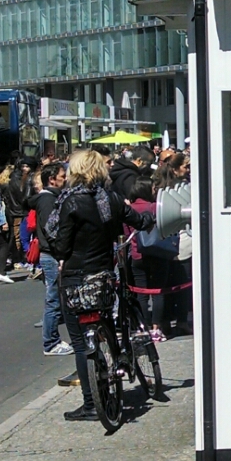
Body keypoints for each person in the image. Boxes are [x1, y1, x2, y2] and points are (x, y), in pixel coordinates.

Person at [48, 149, 152, 422]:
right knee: (104, 322)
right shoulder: (112, 198)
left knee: (81, 342)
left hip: (75, 278)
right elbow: (138, 220)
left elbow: (61, 245)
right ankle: (115, 355)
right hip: (103, 274)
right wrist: (152, 218)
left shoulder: (69, 201)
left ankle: (91, 403)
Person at [34, 163, 68, 356]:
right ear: (52, 179)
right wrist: (61, 254)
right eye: (62, 176)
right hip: (51, 255)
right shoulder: (47, 200)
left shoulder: (53, 197)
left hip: (53, 254)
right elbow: (51, 230)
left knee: (57, 298)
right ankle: (51, 342)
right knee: (53, 299)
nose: (66, 178)